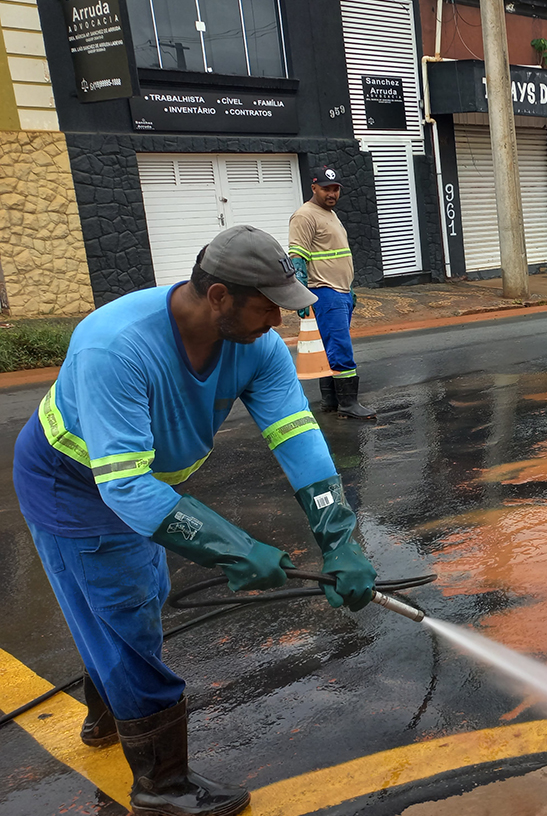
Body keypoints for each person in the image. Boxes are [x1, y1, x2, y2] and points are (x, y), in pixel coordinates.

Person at [12, 225, 378, 816]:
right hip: (72, 485)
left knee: (137, 600)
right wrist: (234, 549)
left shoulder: (254, 345)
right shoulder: (117, 346)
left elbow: (297, 435)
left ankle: (106, 708)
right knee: (127, 613)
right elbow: (124, 485)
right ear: (218, 297)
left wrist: (339, 538)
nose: (278, 323)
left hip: (136, 485)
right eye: (268, 308)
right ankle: (162, 787)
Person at [289, 167, 375, 419]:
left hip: (340, 292)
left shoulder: (330, 214)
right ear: (313, 187)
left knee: (330, 348)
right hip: (324, 292)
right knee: (339, 347)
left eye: (335, 188)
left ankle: (331, 400)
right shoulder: (304, 216)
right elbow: (297, 257)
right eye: (326, 188)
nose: (332, 193)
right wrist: (301, 293)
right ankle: (348, 404)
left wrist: (350, 288)